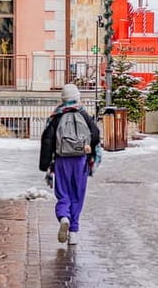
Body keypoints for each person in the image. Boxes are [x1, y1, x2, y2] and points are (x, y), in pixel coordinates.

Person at [39, 84, 100, 245]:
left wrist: (45, 164)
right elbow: (95, 135)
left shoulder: (57, 115)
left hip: (62, 160)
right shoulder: (83, 114)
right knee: (77, 195)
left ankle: (63, 217)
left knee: (63, 193)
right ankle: (73, 232)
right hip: (80, 160)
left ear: (63, 98)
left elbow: (47, 140)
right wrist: (90, 154)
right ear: (77, 97)